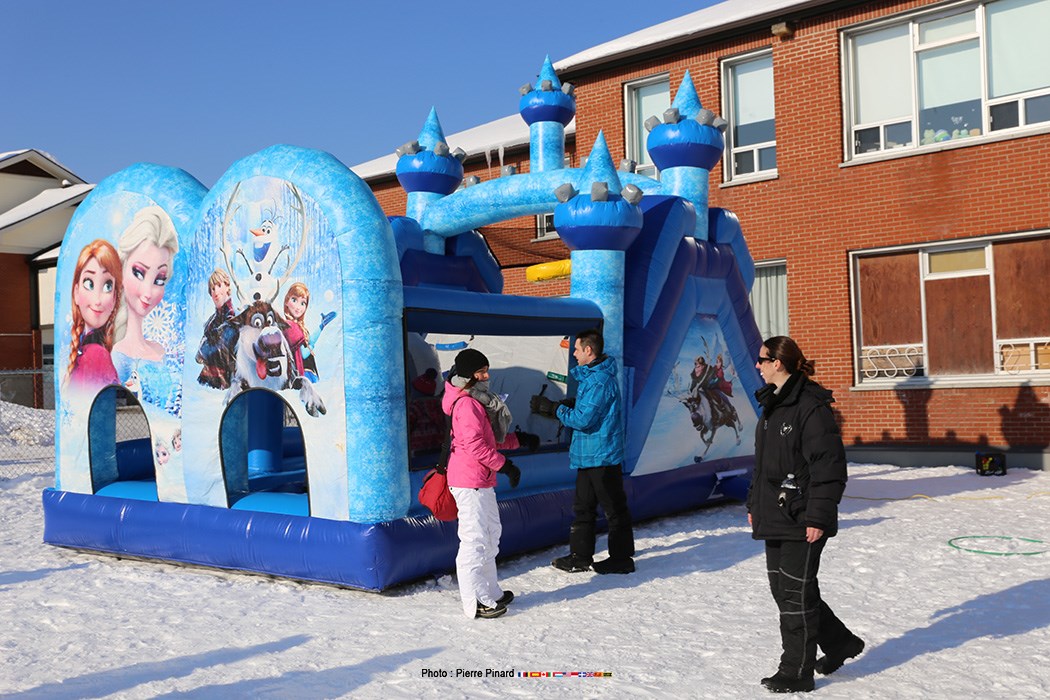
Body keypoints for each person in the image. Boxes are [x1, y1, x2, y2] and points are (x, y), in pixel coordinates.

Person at [748, 336, 864, 694]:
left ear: (778, 363)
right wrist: (754, 504)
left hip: (802, 515)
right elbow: (764, 465)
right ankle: (841, 643)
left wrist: (818, 517)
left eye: (762, 359)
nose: (757, 365)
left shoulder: (810, 407)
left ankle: (796, 671)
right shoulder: (773, 404)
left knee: (794, 593)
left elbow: (829, 467)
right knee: (785, 590)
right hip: (776, 513)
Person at [532, 328, 635, 575]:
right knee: (583, 507)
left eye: (577, 349)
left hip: (602, 456)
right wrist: (568, 404)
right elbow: (588, 409)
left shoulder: (600, 381)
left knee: (614, 508)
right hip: (587, 455)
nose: (574, 354)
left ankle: (621, 559)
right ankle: (580, 556)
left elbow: (583, 419)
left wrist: (554, 409)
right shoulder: (591, 378)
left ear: (589, 350)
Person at [443, 348, 522, 620]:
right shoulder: (466, 404)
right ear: (468, 375)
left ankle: (491, 591)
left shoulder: (475, 400)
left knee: (491, 535)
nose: (486, 376)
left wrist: (519, 440)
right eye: (481, 372)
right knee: (474, 541)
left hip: (481, 479)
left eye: (486, 371)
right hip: (469, 481)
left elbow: (488, 440)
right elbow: (475, 446)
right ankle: (475, 601)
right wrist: (505, 465)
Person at [112, 206, 179, 362]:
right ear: (122, 267)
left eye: (159, 280)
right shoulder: (115, 354)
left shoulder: (159, 350)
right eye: (138, 273)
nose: (148, 293)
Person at [67, 239, 122, 391]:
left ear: (114, 298)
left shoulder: (92, 352)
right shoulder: (95, 352)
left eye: (107, 286)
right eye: (89, 284)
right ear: (76, 292)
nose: (97, 301)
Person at [196, 269, 238, 389]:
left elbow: (219, 347)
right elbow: (199, 356)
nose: (216, 292)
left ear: (227, 286)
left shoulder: (233, 317)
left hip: (227, 381)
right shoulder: (212, 321)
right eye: (212, 289)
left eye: (219, 286)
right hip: (210, 380)